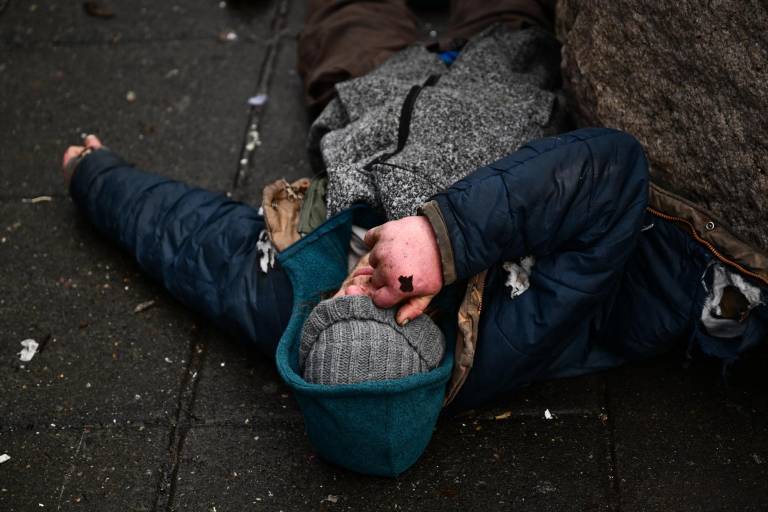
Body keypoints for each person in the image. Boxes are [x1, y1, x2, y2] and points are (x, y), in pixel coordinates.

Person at [61, 1, 768, 475]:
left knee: (342, 20)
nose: (352, 282)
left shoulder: (290, 299)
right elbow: (614, 169)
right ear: (425, 335)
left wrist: (95, 177)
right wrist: (447, 237)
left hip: (370, 97)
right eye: (373, 299)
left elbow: (188, 245)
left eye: (336, 304)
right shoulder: (520, 328)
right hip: (505, 73)